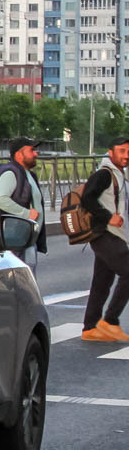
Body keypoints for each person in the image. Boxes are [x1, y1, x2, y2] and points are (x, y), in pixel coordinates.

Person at [79, 135, 129, 343]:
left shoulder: (119, 174)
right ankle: (110, 321)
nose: (126, 155)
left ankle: (90, 328)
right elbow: (87, 198)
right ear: (111, 152)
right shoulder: (104, 174)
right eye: (122, 151)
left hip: (111, 234)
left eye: (128, 151)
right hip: (103, 233)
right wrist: (109, 217)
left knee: (102, 281)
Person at [0, 137, 46, 264]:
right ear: (19, 154)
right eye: (31, 150)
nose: (36, 154)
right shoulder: (11, 173)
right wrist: (26, 214)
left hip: (26, 239)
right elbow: (0, 199)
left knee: (26, 278)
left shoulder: (28, 174)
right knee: (20, 280)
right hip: (16, 241)